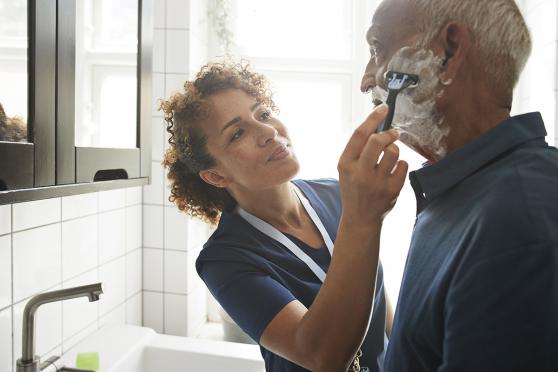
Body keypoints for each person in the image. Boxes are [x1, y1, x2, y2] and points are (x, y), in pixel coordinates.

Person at [160, 61, 408, 372]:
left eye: (263, 114)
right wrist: (364, 219)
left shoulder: (337, 194)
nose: (267, 131)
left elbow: (379, 303)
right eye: (237, 133)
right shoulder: (224, 260)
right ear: (215, 176)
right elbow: (322, 357)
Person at [360, 0, 558, 371]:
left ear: (448, 51)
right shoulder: (460, 192)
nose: (366, 80)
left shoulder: (518, 224)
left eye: (377, 49)